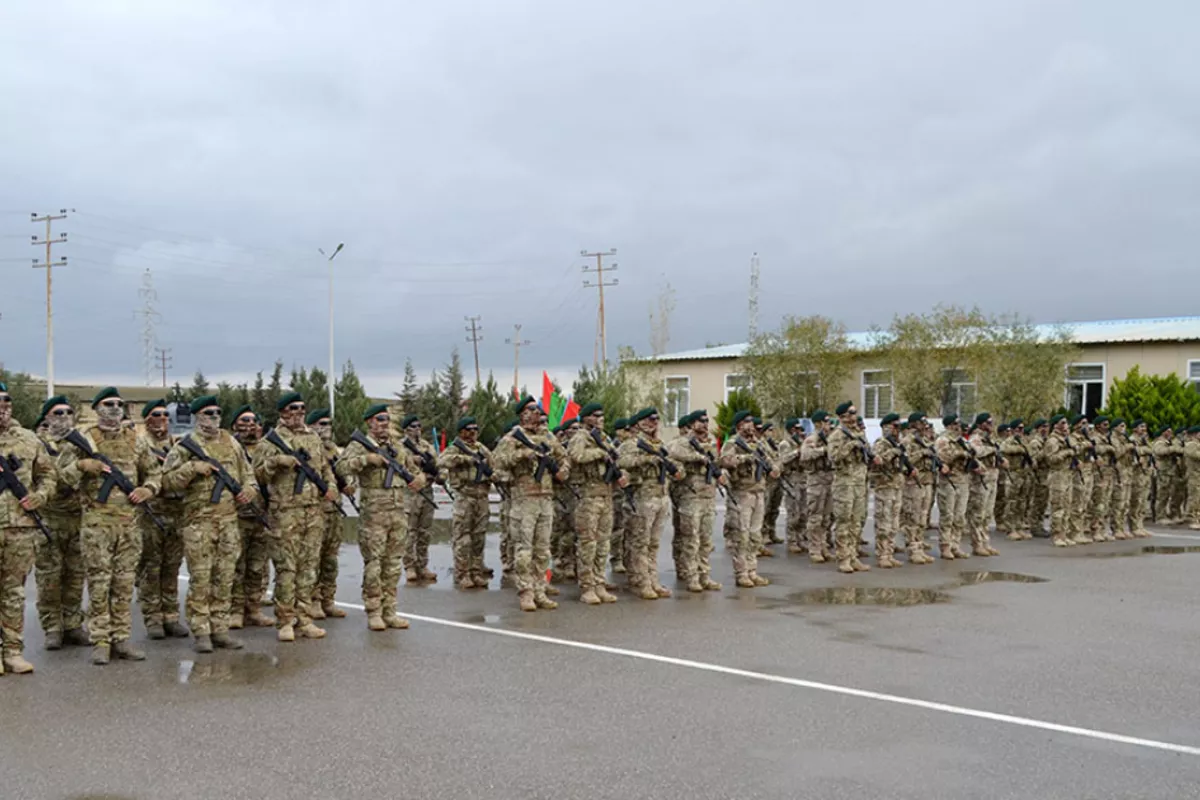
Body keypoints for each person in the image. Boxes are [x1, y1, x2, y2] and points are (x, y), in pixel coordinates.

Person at [57, 387, 161, 665]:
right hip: (97, 525)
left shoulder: (136, 440)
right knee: (99, 584)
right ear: (96, 409)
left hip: (129, 526)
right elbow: (60, 480)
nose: (115, 408)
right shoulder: (82, 440)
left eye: (118, 404)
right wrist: (81, 466)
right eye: (108, 404)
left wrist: (148, 489)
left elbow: (154, 472)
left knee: (124, 584)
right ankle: (101, 640)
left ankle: (122, 638)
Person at [161, 395, 261, 653]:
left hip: (228, 521)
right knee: (201, 579)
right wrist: (192, 469)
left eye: (217, 412)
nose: (214, 417)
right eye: (208, 413)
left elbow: (248, 474)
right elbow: (167, 482)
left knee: (225, 578)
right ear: (197, 416)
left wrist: (249, 490)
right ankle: (201, 631)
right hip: (199, 524)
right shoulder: (185, 446)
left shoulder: (231, 443)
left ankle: (220, 629)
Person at [252, 391, 339, 642]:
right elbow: (256, 476)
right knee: (287, 570)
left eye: (302, 408)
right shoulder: (269, 442)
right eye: (293, 408)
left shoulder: (313, 438)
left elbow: (324, 468)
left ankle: (305, 619)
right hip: (284, 514)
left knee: (309, 569)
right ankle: (285, 621)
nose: (299, 412)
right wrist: (275, 462)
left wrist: (331, 487)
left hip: (313, 512)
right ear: (282, 412)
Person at [337, 404, 425, 629]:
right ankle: (374, 611)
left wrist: (419, 479)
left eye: (387, 419)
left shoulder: (397, 446)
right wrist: (366, 460)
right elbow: (341, 468)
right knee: (374, 565)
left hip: (398, 513)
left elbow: (413, 470)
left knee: (393, 565)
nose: (385, 423)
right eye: (380, 419)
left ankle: (390, 611)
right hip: (374, 515)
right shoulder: (359, 445)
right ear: (369, 422)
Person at [493, 396, 568, 611]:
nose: (536, 412)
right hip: (524, 500)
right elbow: (498, 465)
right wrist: (523, 455)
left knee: (543, 550)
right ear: (522, 414)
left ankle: (540, 591)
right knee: (524, 550)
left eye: (537, 409)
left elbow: (564, 457)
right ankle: (526, 592)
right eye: (531, 409)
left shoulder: (547, 436)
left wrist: (562, 471)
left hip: (545, 498)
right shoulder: (512, 438)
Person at [0, 382, 55, 674]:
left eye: (6, 401)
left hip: (20, 528)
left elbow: (48, 475)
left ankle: (12, 651)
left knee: (14, 592)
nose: (2, 407)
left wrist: (40, 496)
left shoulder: (29, 440)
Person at [32, 395, 89, 651]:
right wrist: (80, 467)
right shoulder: (39, 445)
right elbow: (51, 480)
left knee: (76, 576)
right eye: (58, 412)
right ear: (47, 418)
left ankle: (73, 624)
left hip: (78, 518)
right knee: (50, 578)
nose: (64, 416)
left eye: (68, 412)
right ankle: (53, 627)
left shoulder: (81, 444)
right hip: (49, 520)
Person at [136, 398, 190, 640]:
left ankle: (171, 616)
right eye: (157, 415)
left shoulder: (178, 445)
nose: (162, 420)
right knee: (151, 567)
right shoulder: (139, 446)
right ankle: (153, 618)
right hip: (151, 513)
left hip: (176, 513)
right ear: (147, 419)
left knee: (172, 566)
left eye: (166, 415)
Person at [619, 407, 685, 598]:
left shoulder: (659, 444)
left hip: (661, 496)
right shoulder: (632, 444)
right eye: (649, 420)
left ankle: (653, 580)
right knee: (640, 542)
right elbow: (622, 461)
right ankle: (641, 582)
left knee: (653, 544)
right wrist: (646, 459)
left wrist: (678, 471)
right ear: (639, 423)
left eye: (656, 420)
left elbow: (675, 465)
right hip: (642, 498)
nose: (653, 423)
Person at [565, 403, 623, 603]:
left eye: (602, 415)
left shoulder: (603, 437)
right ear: (586, 418)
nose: (601, 419)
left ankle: (599, 583)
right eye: (596, 415)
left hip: (605, 495)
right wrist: (599, 453)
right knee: (588, 544)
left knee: (603, 544)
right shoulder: (580, 437)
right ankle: (587, 587)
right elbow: (576, 456)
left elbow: (616, 458)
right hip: (588, 497)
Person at [665, 409, 723, 592]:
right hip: (690, 496)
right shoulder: (682, 443)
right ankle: (691, 576)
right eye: (701, 421)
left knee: (706, 541)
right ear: (691, 424)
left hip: (708, 496)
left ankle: (704, 575)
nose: (705, 424)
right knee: (691, 540)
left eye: (706, 421)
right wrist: (698, 457)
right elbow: (672, 454)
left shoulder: (709, 443)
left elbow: (716, 463)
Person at [437, 416, 495, 590]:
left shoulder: (481, 448)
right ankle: (462, 574)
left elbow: (494, 464)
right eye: (469, 429)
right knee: (463, 538)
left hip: (481, 496)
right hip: (465, 496)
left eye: (475, 429)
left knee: (479, 537)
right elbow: (441, 461)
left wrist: (493, 474)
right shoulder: (455, 448)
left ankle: (476, 572)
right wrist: (465, 459)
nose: (473, 433)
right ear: (462, 432)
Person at [718, 409, 774, 586]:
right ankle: (742, 573)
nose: (751, 426)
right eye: (747, 422)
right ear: (740, 425)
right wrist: (745, 458)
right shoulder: (733, 442)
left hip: (758, 491)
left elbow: (770, 459)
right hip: (742, 493)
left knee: (755, 535)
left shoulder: (758, 443)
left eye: (751, 422)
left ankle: (752, 570)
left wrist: (773, 467)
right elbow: (724, 460)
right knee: (741, 536)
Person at [230, 405, 271, 627]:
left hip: (261, 515)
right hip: (236, 516)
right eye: (244, 421)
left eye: (253, 421)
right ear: (234, 425)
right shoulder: (230, 448)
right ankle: (235, 610)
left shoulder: (265, 448)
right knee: (237, 566)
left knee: (257, 566)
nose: (250, 425)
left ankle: (253, 608)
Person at [307, 408, 351, 620]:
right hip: (315, 510)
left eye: (328, 424)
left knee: (331, 559)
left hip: (334, 509)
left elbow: (343, 472)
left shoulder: (333, 449)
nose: (326, 429)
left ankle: (328, 600)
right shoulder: (308, 448)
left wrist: (348, 484)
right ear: (311, 426)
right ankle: (313, 601)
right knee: (313, 558)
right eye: (321, 424)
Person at [827, 402, 876, 573]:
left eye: (855, 412)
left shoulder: (858, 433)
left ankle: (853, 556)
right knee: (844, 522)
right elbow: (833, 457)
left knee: (856, 522)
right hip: (844, 483)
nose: (855, 416)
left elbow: (867, 454)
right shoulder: (837, 435)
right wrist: (850, 446)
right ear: (843, 417)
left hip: (859, 482)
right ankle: (843, 558)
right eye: (852, 413)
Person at [399, 415, 444, 583]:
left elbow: (438, 464)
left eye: (419, 426)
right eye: (413, 426)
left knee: (424, 532)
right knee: (409, 532)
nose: (417, 429)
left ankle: (423, 565)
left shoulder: (426, 446)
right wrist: (412, 460)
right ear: (406, 429)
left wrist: (440, 475)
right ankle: (409, 566)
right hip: (410, 494)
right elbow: (397, 465)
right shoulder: (400, 447)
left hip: (427, 492)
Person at [871, 413, 912, 568]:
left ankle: (889, 552)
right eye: (895, 426)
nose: (897, 430)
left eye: (898, 427)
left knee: (894, 524)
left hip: (896, 486)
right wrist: (893, 452)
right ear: (886, 427)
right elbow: (876, 462)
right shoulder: (881, 444)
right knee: (884, 523)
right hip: (885, 487)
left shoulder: (897, 444)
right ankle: (882, 555)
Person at [934, 414, 973, 560]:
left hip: (963, 480)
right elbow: (941, 458)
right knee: (948, 516)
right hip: (949, 482)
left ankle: (955, 545)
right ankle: (945, 546)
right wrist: (960, 453)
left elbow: (971, 455)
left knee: (959, 516)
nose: (959, 427)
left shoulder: (962, 441)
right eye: (956, 424)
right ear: (950, 425)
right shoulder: (943, 440)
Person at [900, 412, 936, 564]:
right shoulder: (907, 441)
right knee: (912, 518)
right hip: (913, 483)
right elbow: (904, 461)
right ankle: (913, 549)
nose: (924, 425)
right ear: (913, 424)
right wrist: (922, 453)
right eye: (922, 423)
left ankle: (919, 547)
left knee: (922, 518)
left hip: (927, 481)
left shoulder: (925, 440)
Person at [966, 412, 1003, 556]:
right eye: (988, 423)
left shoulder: (990, 439)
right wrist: (992, 449)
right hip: (980, 481)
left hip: (992, 478)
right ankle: (977, 544)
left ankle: (985, 542)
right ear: (981, 424)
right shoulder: (976, 437)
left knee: (987, 514)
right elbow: (977, 451)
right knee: (978, 514)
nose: (991, 425)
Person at [800, 411, 835, 563]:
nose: (828, 425)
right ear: (818, 424)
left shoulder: (829, 439)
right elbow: (805, 456)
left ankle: (823, 546)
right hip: (816, 481)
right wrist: (823, 450)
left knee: (826, 518)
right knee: (815, 517)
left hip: (829, 480)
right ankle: (814, 549)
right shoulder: (811, 439)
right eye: (826, 422)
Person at [550, 417, 581, 583]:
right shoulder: (561, 450)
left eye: (578, 428)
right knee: (564, 531)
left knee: (579, 532)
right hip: (563, 494)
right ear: (566, 431)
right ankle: (564, 561)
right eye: (573, 428)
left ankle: (576, 563)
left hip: (580, 493)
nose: (576, 431)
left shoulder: (583, 447)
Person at [999, 419, 1034, 540]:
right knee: (1011, 502)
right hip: (1013, 474)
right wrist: (1020, 449)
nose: (1021, 430)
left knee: (1022, 502)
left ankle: (1019, 527)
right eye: (1019, 428)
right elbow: (1003, 449)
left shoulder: (1024, 441)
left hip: (1024, 474)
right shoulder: (1009, 441)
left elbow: (1030, 453)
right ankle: (1010, 529)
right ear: (1013, 430)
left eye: (1022, 428)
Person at [778, 418, 808, 555]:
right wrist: (797, 452)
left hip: (803, 479)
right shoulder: (785, 444)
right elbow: (783, 460)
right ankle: (792, 541)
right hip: (792, 480)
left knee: (804, 512)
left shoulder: (801, 442)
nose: (800, 432)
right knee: (793, 512)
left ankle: (800, 538)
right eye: (797, 429)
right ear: (791, 430)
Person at [610, 417, 635, 575]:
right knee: (618, 527)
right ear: (618, 431)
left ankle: (628, 558)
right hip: (617, 493)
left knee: (630, 527)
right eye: (625, 430)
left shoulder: (633, 446)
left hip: (630, 491)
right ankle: (616, 559)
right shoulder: (613, 448)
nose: (628, 433)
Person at [1089, 416, 1117, 542]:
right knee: (1098, 502)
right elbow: (1095, 449)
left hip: (1108, 473)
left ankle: (1102, 529)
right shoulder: (1094, 437)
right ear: (1097, 426)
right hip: (1099, 473)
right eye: (1104, 424)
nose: (1107, 427)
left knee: (1106, 503)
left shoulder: (1107, 438)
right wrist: (1109, 448)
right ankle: (1095, 529)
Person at [758, 420, 786, 548]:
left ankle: (771, 531)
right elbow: (765, 459)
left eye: (773, 430)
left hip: (778, 479)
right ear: (764, 432)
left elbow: (780, 458)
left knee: (775, 508)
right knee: (766, 508)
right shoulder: (761, 444)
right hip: (768, 480)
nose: (772, 432)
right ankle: (763, 534)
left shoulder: (774, 444)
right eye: (770, 430)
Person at [1108, 419, 1134, 540]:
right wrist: (1128, 446)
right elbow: (1117, 453)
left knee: (1125, 502)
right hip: (1118, 473)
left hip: (1127, 472)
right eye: (1121, 426)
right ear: (1115, 427)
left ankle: (1122, 527)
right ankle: (1116, 528)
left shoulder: (1124, 439)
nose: (1124, 428)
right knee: (1118, 502)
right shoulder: (1113, 438)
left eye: (1125, 426)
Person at [1128, 420, 1154, 538]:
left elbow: (1152, 450)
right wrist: (1145, 450)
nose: (1144, 429)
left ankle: (1140, 525)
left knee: (1142, 501)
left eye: (1145, 427)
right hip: (1136, 474)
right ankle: (1134, 527)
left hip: (1145, 473)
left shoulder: (1144, 440)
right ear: (1135, 428)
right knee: (1136, 501)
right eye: (1141, 427)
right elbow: (1135, 451)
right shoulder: (1132, 439)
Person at [1184, 426, 1200, 530]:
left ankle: (1197, 519)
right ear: (1195, 434)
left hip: (1198, 475)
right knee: (1194, 498)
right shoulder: (1191, 444)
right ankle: (1192, 520)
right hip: (1194, 475)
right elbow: (1194, 455)